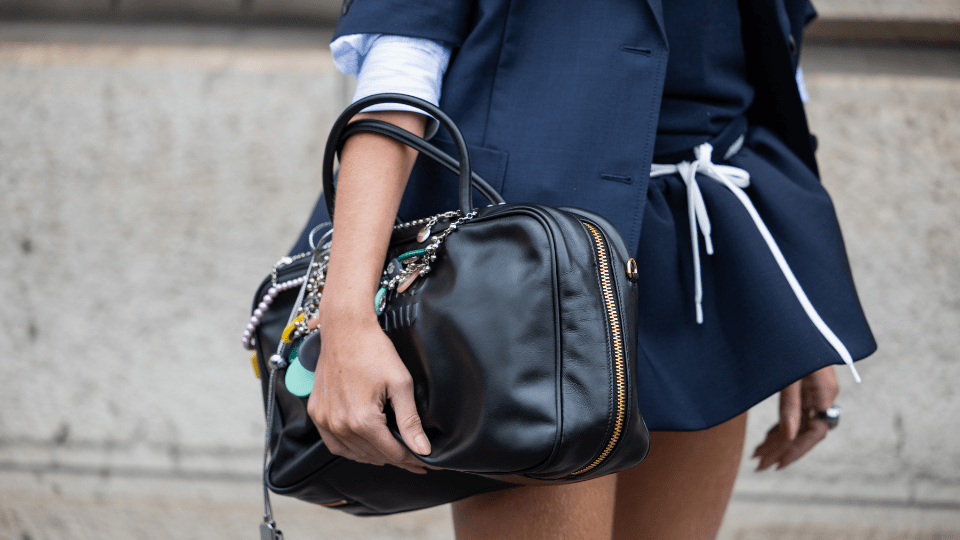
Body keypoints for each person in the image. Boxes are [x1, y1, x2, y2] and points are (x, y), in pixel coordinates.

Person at [291, 0, 877, 538]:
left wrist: (798, 319)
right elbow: (398, 74)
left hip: (699, 263)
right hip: (530, 287)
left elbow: (776, 74)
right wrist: (346, 313)